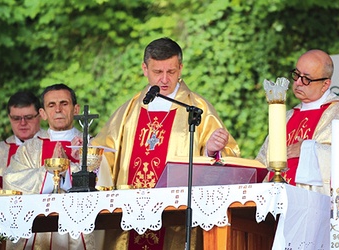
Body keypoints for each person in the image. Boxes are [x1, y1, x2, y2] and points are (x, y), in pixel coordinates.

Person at [91, 37, 240, 249]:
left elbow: (228, 156)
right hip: (131, 213)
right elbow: (104, 152)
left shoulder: (197, 108)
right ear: (144, 69)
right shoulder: (129, 110)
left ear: (180, 68)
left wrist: (210, 150)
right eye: (157, 72)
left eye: (170, 72)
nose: (164, 80)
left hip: (175, 217)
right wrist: (89, 156)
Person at [256, 49, 339, 249]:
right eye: (296, 75)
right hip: (276, 216)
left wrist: (308, 150)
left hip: (317, 216)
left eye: (307, 79)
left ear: (325, 84)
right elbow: (262, 162)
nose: (297, 83)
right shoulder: (285, 116)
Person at [3, 83, 96, 249]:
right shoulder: (30, 148)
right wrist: (50, 171)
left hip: (78, 231)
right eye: (51, 105)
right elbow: (10, 181)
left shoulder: (91, 145)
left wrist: (72, 167)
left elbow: (104, 184)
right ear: (43, 113)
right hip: (36, 233)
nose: (58, 110)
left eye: (64, 103)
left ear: (76, 109)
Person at [0, 91, 43, 196]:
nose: (23, 123)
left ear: (40, 115)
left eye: (28, 117)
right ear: (9, 118)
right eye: (16, 118)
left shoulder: (54, 145)